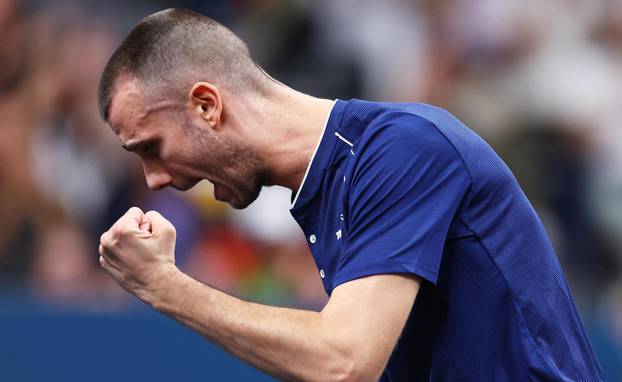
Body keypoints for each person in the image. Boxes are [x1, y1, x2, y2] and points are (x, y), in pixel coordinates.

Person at [96, 8, 603, 382]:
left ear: (206, 105)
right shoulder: (326, 183)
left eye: (152, 147)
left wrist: (165, 287)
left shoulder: (404, 149)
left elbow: (343, 360)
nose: (154, 180)